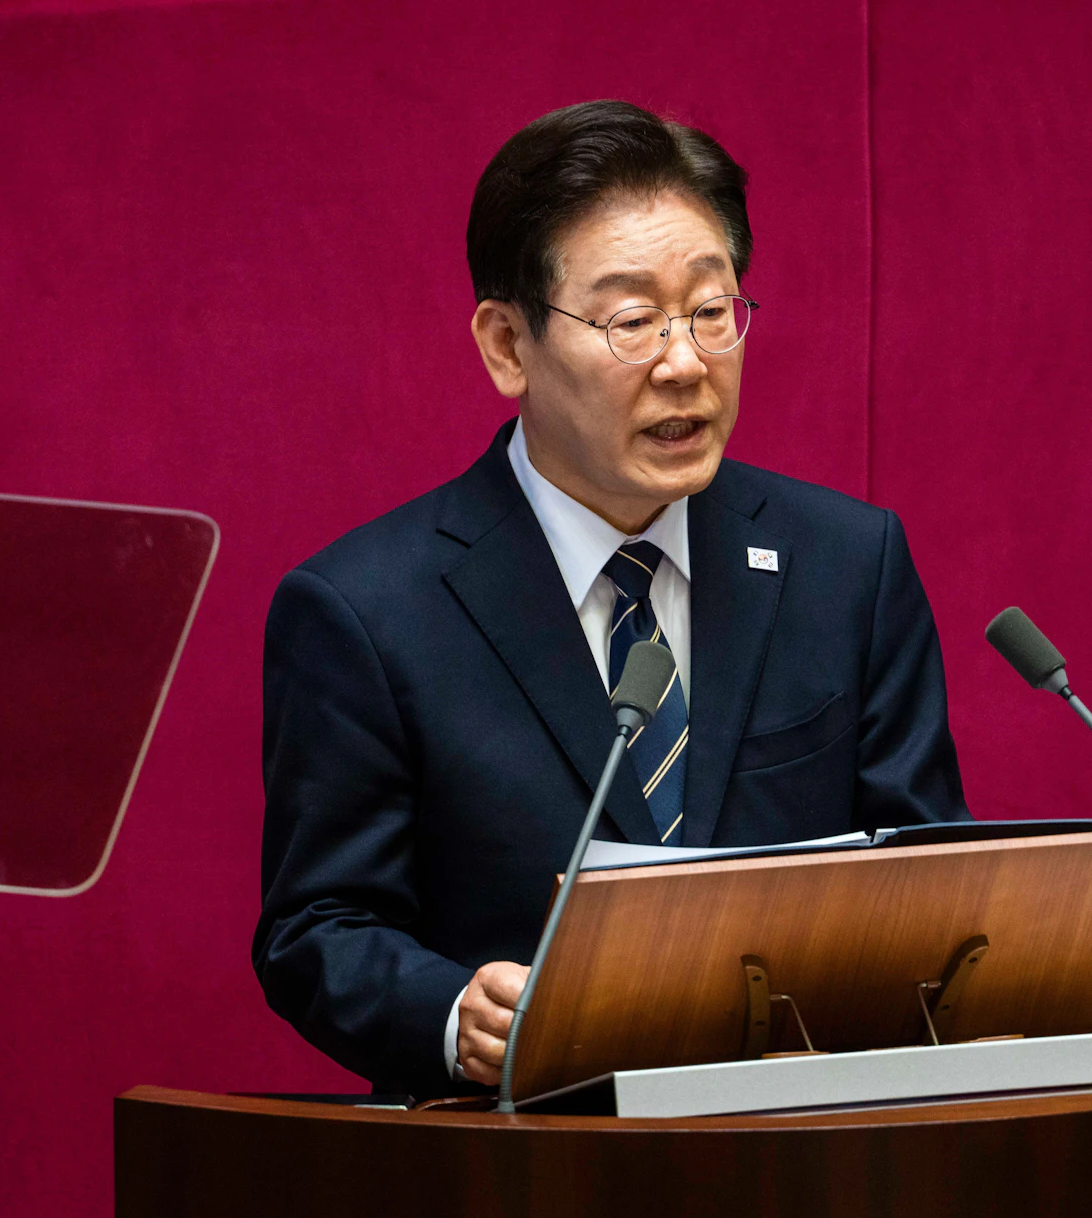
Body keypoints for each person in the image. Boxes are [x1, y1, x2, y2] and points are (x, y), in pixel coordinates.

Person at [255, 100, 966, 1098]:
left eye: (711, 311)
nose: (683, 362)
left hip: (810, 1159)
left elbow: (930, 879)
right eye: (632, 321)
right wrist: (456, 1010)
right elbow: (315, 927)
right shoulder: (364, 611)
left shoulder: (846, 565)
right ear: (507, 344)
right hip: (519, 1172)